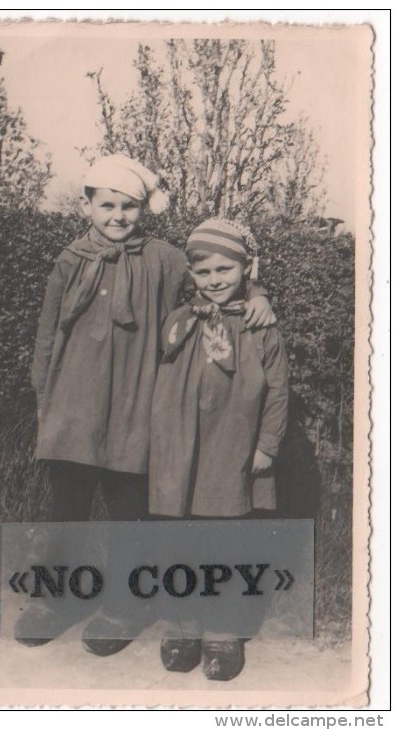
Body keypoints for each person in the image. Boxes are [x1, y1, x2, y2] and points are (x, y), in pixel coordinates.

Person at [21, 155, 275, 653]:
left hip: (138, 409)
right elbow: (48, 334)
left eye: (129, 206)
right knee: (66, 508)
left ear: (144, 208)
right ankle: (54, 599)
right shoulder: (70, 259)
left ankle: (124, 605)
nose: (118, 216)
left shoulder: (164, 258)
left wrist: (259, 291)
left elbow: (217, 277)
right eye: (108, 205)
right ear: (88, 204)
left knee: (128, 513)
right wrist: (43, 399)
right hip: (73, 407)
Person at [149, 217, 289, 681]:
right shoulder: (180, 321)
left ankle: (223, 632)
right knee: (181, 541)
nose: (214, 281)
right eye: (204, 272)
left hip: (230, 449)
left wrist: (268, 443)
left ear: (246, 269)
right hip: (184, 452)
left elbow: (278, 389)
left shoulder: (260, 325)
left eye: (224, 270)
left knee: (226, 541)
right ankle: (184, 625)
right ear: (192, 275)